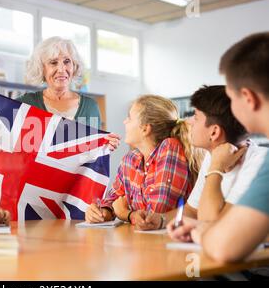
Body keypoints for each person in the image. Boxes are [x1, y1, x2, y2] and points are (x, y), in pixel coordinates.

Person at [167, 32, 269, 263]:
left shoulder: (264, 162)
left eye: (232, 99)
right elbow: (203, 217)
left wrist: (203, 231)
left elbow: (225, 246)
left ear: (248, 98)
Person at [0, 37, 120, 151]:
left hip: (75, 196)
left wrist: (107, 146)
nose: (62, 69)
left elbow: (93, 152)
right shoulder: (26, 104)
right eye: (53, 62)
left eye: (67, 61)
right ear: (42, 69)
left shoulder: (90, 107)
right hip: (35, 194)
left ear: (74, 66)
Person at [138, 85, 267, 230]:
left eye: (196, 117)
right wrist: (161, 219)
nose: (188, 121)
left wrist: (216, 168)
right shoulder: (211, 155)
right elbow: (192, 210)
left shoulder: (259, 165)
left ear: (214, 132)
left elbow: (213, 223)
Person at [85, 95, 200, 226]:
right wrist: (102, 212)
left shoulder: (170, 148)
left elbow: (154, 215)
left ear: (145, 128)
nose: (124, 121)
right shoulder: (130, 160)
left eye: (129, 117)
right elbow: (114, 200)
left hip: (169, 239)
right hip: (140, 240)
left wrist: (125, 214)